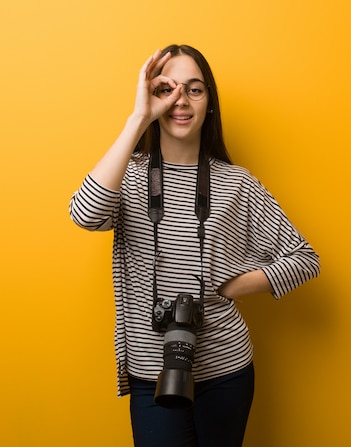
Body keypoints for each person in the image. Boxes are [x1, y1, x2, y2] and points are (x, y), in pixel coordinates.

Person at [69, 44, 320, 447]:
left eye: (195, 89)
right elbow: (85, 214)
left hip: (226, 368)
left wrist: (233, 285)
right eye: (167, 88)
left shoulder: (237, 183)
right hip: (151, 372)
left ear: (210, 103)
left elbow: (304, 259)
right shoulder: (129, 176)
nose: (181, 100)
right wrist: (137, 119)